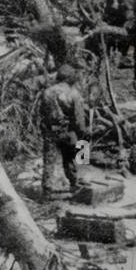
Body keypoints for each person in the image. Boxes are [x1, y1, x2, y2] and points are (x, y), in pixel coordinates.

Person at [40, 64, 89, 198]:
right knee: (82, 148)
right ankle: (78, 181)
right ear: (70, 78)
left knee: (49, 161)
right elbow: (79, 119)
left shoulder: (47, 92)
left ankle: (47, 190)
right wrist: (83, 133)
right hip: (68, 132)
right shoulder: (73, 93)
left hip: (50, 131)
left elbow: (42, 113)